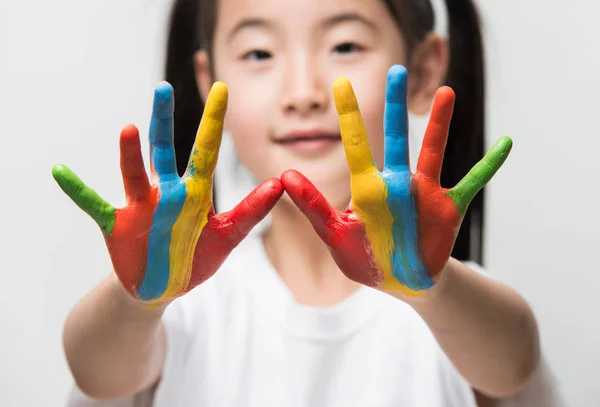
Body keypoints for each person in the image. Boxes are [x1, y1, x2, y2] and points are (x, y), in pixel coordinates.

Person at [56, 0, 565, 405]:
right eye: (259, 53)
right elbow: (100, 374)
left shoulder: (456, 306)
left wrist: (433, 290)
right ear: (209, 81)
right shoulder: (187, 304)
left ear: (425, 66)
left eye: (344, 45)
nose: (302, 92)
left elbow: (512, 363)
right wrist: (137, 300)